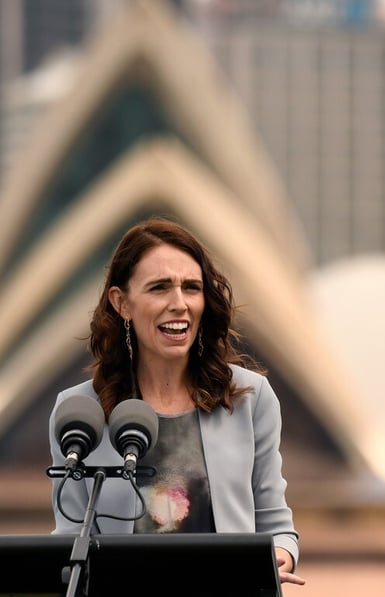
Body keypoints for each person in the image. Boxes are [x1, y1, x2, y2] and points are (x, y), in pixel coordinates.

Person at [48, 215, 306, 586]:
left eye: (191, 287)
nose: (179, 303)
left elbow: (276, 524)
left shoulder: (251, 399)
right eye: (159, 288)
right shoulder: (78, 412)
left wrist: (277, 560)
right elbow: (70, 534)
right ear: (121, 303)